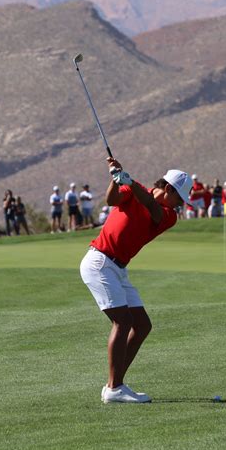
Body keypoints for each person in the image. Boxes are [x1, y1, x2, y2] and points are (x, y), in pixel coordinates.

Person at [79, 157, 192, 404]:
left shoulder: (168, 215)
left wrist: (129, 180)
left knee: (141, 325)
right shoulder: (134, 190)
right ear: (170, 189)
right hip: (100, 262)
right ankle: (115, 388)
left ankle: (114, 384)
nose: (180, 205)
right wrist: (115, 177)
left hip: (118, 269)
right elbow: (112, 200)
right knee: (123, 321)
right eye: (180, 198)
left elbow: (151, 206)